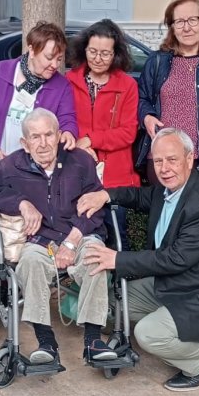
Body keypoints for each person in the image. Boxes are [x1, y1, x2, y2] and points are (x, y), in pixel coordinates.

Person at [78, 127, 199, 392]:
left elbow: (175, 259)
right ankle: (189, 333)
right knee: (116, 303)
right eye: (158, 161)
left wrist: (118, 259)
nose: (165, 168)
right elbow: (141, 197)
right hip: (174, 284)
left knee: (147, 334)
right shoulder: (169, 189)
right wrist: (106, 194)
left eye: (172, 159)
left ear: (190, 159)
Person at [0, 108, 114, 365]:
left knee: (96, 259)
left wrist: (72, 242)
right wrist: (21, 203)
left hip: (81, 233)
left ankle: (93, 341)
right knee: (31, 263)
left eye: (49, 134)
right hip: (42, 240)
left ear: (59, 135)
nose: (44, 143)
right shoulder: (13, 164)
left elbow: (96, 207)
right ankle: (46, 342)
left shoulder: (81, 161)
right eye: (35, 137)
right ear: (25, 143)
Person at [137, 0, 199, 195]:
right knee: (164, 219)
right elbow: (142, 98)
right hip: (163, 159)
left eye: (193, 20)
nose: (187, 27)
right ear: (172, 27)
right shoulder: (157, 62)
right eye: (179, 21)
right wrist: (146, 116)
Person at [65, 19, 140, 248]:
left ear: (115, 54)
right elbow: (64, 121)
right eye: (93, 51)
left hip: (116, 175)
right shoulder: (69, 81)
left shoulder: (127, 85)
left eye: (105, 54)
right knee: (83, 237)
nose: (98, 59)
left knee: (117, 237)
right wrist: (80, 142)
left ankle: (120, 284)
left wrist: (90, 139)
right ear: (84, 49)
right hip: (78, 173)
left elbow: (128, 132)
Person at [0, 21, 79, 167]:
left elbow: (67, 118)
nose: (55, 65)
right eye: (49, 57)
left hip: (35, 170)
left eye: (59, 59)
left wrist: (68, 132)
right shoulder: (1, 71)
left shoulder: (62, 86)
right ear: (32, 50)